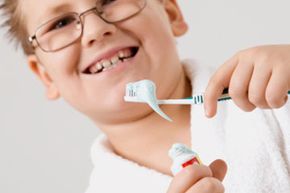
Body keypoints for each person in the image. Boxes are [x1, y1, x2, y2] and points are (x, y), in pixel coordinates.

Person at [1, 0, 290, 192]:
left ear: (172, 13)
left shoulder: (274, 97)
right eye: (61, 23)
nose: (97, 29)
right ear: (46, 76)